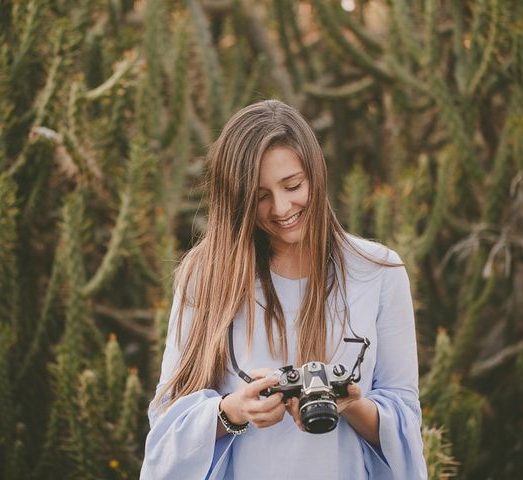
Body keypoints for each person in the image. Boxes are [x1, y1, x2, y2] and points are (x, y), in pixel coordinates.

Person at [140, 100, 427, 479]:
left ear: (316, 173)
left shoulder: (378, 271)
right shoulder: (205, 276)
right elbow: (166, 423)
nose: (282, 208)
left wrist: (350, 403)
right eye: (260, 196)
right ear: (238, 200)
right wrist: (233, 411)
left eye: (293, 185)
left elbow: (405, 420)